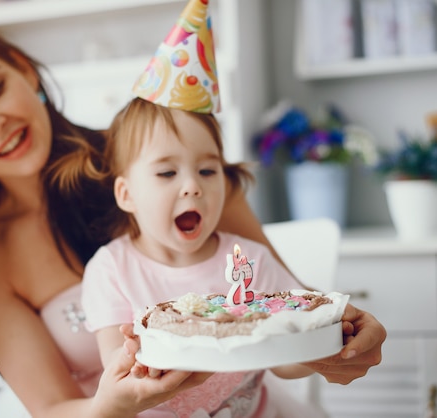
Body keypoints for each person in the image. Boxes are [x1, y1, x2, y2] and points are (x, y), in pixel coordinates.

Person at [0, 14, 385, 418]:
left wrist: (339, 346)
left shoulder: (179, 166)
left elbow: (285, 324)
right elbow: (54, 408)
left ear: (24, 69)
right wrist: (110, 408)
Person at [82, 96, 345, 418]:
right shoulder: (111, 269)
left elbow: (285, 365)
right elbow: (119, 368)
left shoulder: (250, 260)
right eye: (166, 173)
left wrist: (314, 342)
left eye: (207, 170)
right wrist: (141, 359)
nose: (192, 186)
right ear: (126, 194)